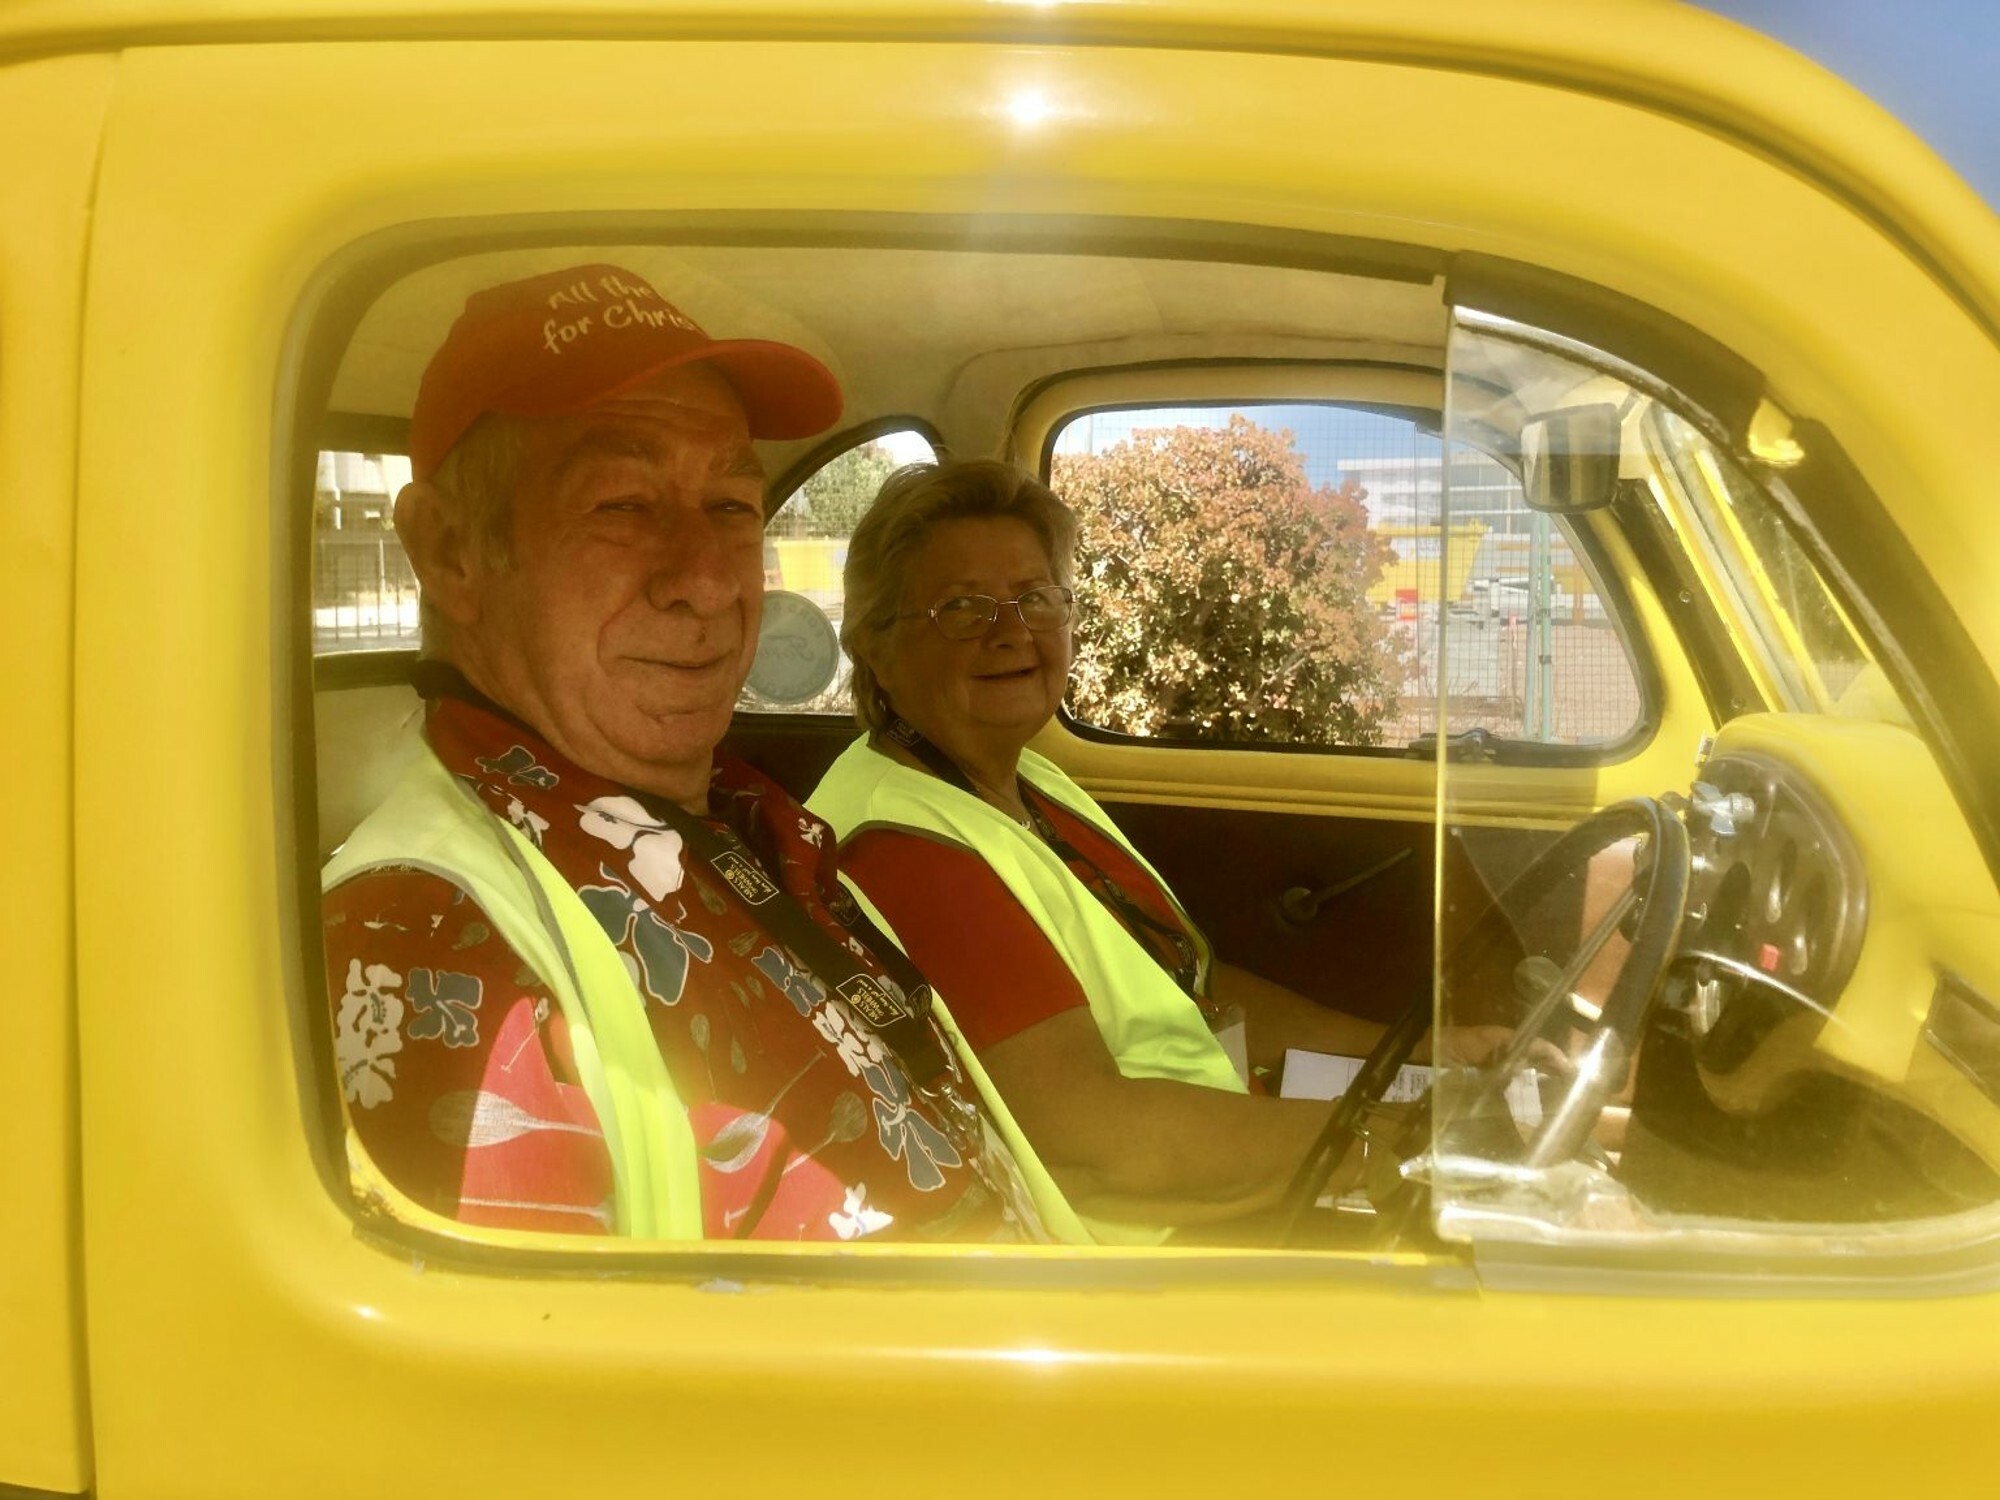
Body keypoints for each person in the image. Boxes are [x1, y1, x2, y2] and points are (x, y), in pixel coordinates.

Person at [322, 265, 1034, 1245]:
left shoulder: (745, 817)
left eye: (733, 509)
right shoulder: (430, 944)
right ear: (449, 553)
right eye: (621, 504)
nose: (707, 582)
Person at [808, 459, 1525, 1243]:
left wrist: (1428, 1051)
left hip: (1219, 1171)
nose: (1012, 630)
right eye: (963, 607)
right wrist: (1391, 1142)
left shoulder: (1025, 782)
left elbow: (1195, 991)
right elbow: (1089, 1147)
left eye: (1036, 597)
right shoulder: (906, 851)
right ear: (875, 645)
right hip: (1145, 1257)